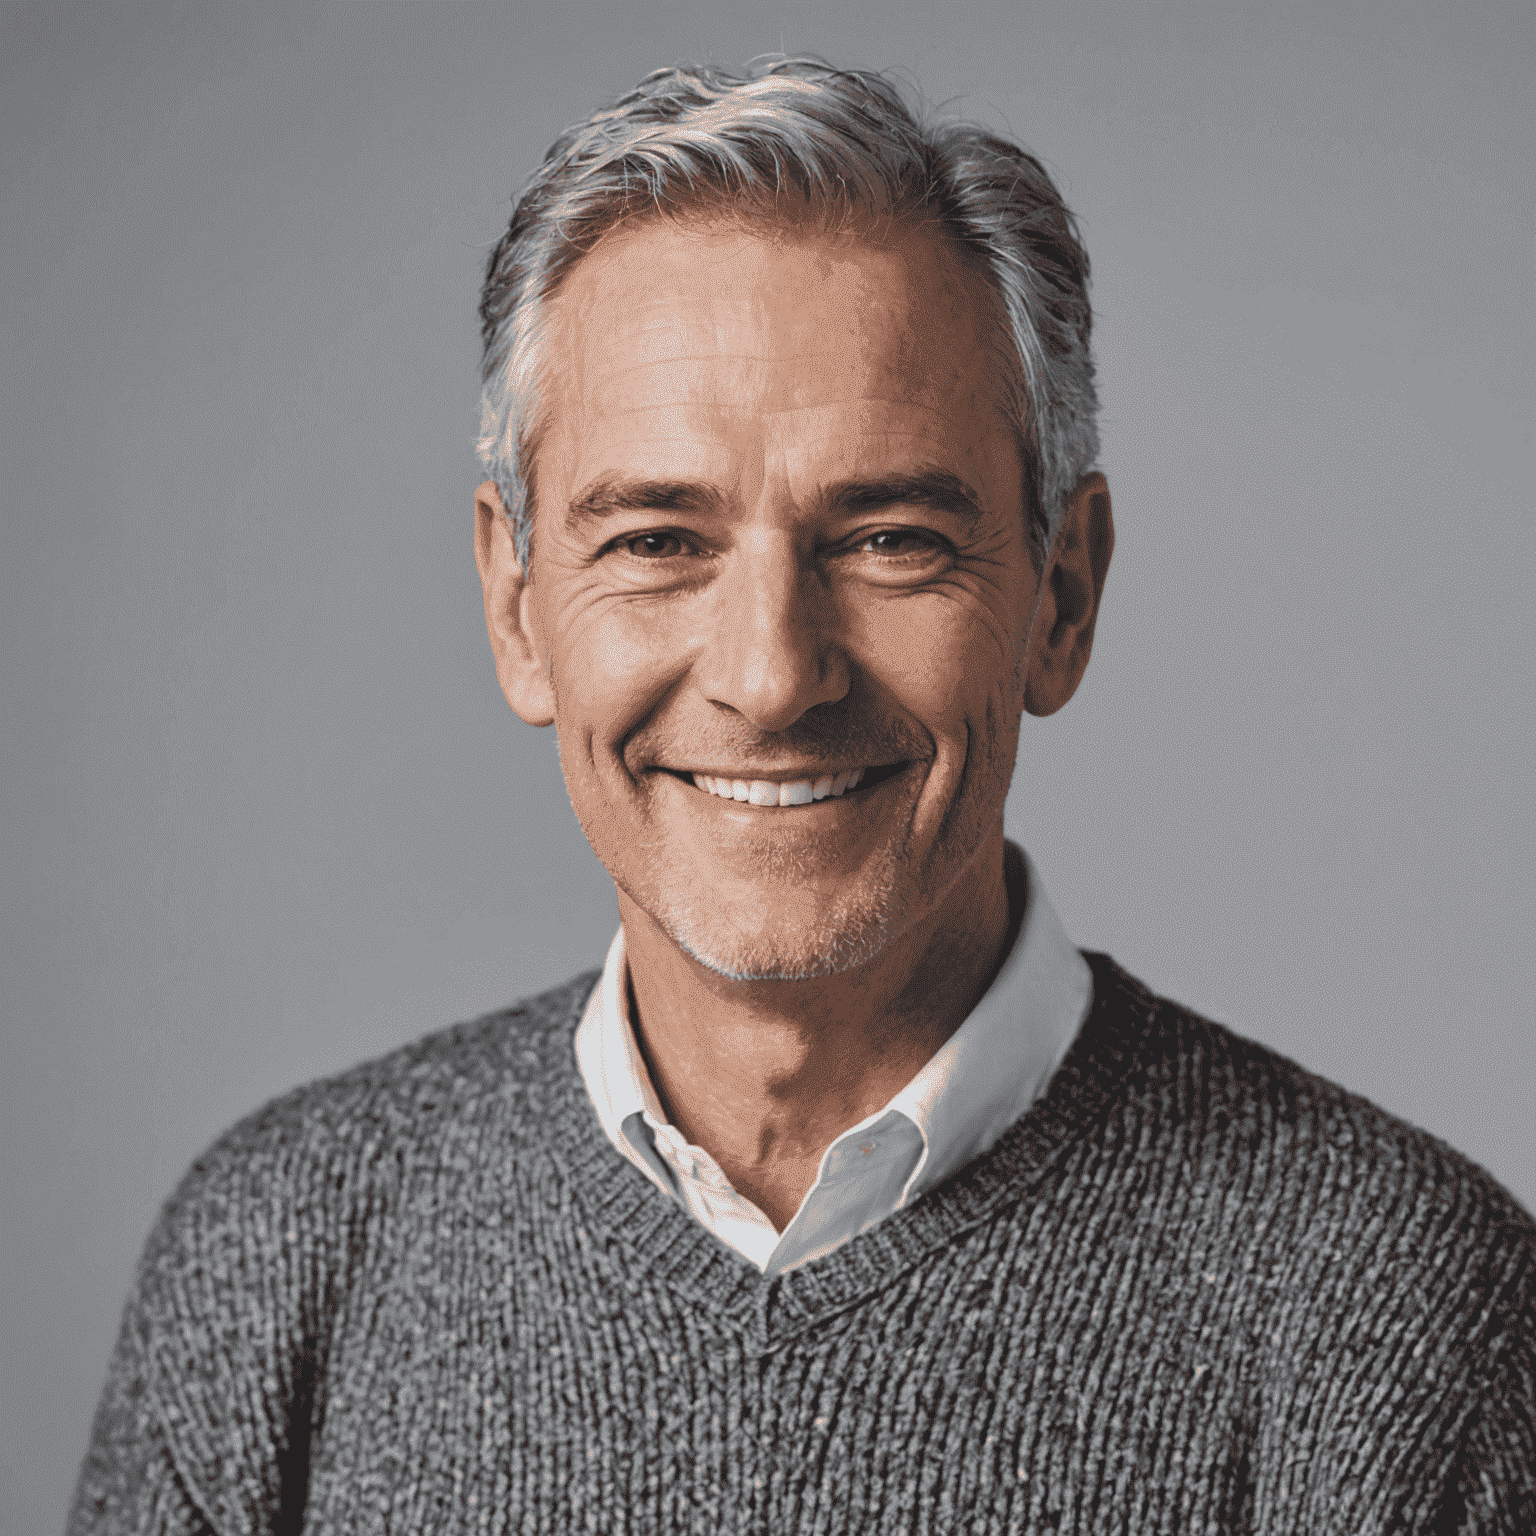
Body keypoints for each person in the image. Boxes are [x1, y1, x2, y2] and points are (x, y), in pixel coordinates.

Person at [69, 58, 1533, 1536]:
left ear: (1063, 598)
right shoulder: (277, 1265)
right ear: (518, 607)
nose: (771, 677)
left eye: (892, 538)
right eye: (654, 541)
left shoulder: (1406, 1312)